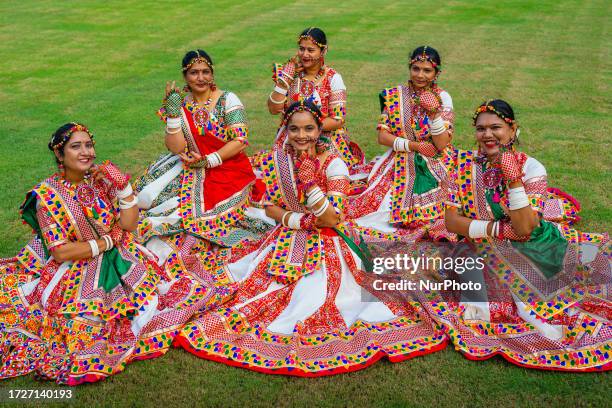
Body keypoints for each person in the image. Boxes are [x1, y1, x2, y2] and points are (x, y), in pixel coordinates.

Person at [175, 101, 445, 376]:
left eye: (308, 129)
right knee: (252, 288)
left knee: (311, 298)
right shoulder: (277, 160)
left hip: (329, 241)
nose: (301, 135)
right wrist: (299, 221)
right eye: (294, 129)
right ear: (286, 130)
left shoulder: (334, 163)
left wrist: (311, 187)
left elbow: (331, 218)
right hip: (286, 235)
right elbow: (270, 206)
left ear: (319, 131)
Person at [0, 123, 222, 384]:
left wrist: (123, 188)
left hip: (121, 256)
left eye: (88, 145)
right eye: (76, 146)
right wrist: (106, 242)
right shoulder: (47, 197)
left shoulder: (98, 182)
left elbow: (127, 225)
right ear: (59, 155)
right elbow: (60, 252)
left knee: (168, 292)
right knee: (87, 324)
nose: (86, 152)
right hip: (76, 267)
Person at [440, 99, 611, 371]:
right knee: (482, 309)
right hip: (480, 248)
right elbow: (451, 222)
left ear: (512, 129)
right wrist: (497, 229)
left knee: (541, 310)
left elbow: (524, 229)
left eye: (496, 127)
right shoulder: (461, 166)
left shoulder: (532, 168)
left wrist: (514, 181)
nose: (487, 135)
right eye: (480, 129)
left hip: (534, 248)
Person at [136, 49, 256, 249]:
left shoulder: (228, 99)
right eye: (194, 72)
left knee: (196, 216)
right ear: (185, 76)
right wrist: (174, 115)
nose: (201, 78)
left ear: (212, 73)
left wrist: (209, 160)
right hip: (188, 165)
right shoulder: (181, 105)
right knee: (148, 199)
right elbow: (177, 147)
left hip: (226, 166)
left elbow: (240, 140)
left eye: (205, 71)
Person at [347, 46, 455, 241]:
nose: (420, 75)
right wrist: (414, 146)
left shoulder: (443, 97)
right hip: (398, 157)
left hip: (434, 161)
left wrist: (434, 114)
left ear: (437, 73)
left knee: (442, 206)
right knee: (375, 204)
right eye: (416, 69)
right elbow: (382, 136)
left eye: (427, 70)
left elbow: (440, 144)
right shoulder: (396, 96)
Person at [254, 27, 365, 175]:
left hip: (324, 140)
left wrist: (306, 129)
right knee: (276, 177)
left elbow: (338, 120)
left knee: (326, 176)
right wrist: (284, 81)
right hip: (291, 139)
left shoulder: (332, 78)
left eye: (311, 50)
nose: (304, 54)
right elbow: (273, 109)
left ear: (323, 51)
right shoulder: (290, 74)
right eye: (301, 49)